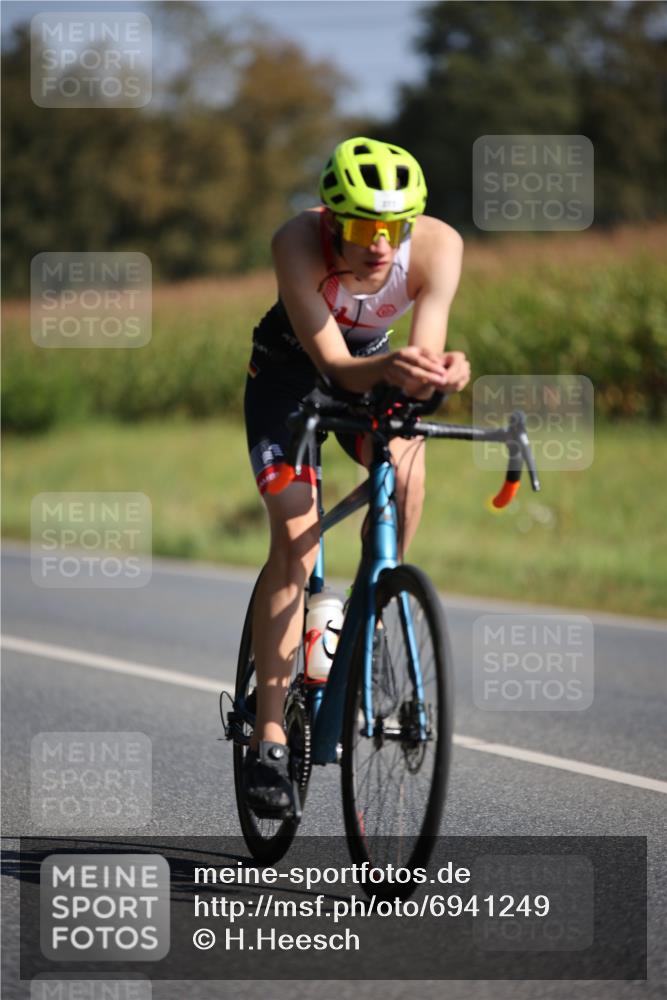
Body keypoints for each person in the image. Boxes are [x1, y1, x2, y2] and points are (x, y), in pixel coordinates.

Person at [242, 136, 470, 816]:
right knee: (297, 538)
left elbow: (421, 358)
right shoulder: (295, 242)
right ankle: (271, 737)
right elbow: (337, 368)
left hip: (373, 370)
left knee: (406, 474)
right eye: (365, 229)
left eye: (393, 230)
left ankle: (371, 601)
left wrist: (444, 374)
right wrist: (401, 365)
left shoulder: (437, 246)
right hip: (291, 378)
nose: (380, 246)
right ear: (330, 220)